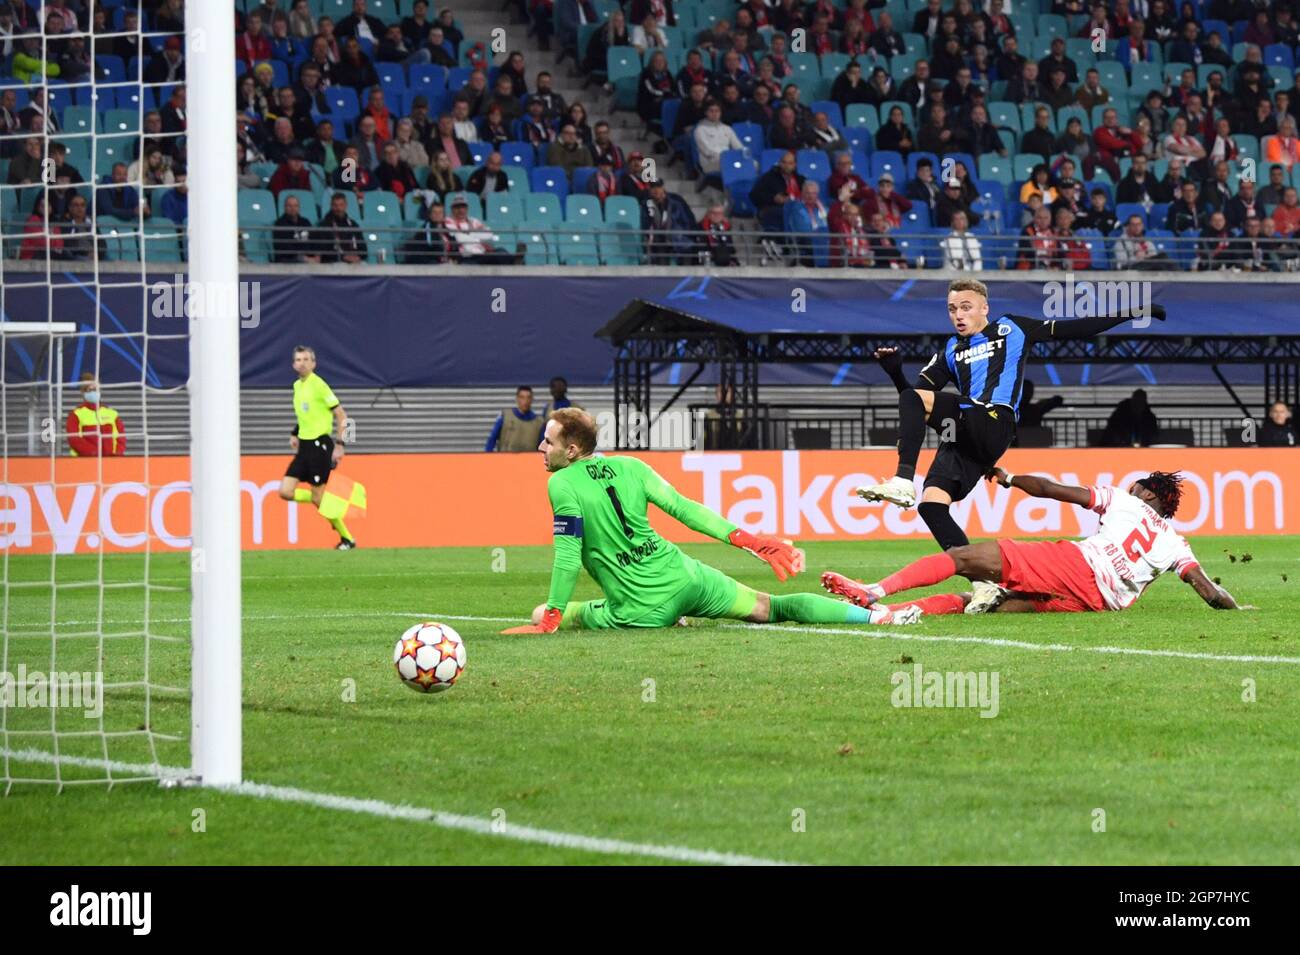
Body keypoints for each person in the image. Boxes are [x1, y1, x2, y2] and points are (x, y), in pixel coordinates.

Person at [500, 408, 918, 634]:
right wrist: (748, 540)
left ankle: (660, 616)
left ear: (571, 451)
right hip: (686, 576)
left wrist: (554, 614)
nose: (540, 446)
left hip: (641, 609)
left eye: (548, 441)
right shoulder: (632, 466)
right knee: (770, 607)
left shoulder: (562, 485)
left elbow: (569, 558)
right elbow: (686, 509)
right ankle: (877, 617)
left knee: (538, 613)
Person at [857, 279, 1168, 579]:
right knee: (931, 506)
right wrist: (896, 373)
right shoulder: (950, 350)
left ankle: (902, 480)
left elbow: (1078, 327)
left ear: (984, 308)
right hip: (965, 434)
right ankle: (984, 584)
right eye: (952, 309)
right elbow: (912, 404)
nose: (958, 315)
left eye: (966, 307)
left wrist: (1134, 312)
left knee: (920, 407)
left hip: (994, 420)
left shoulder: (1013, 328)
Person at [823, 470, 1248, 617]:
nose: (1130, 489)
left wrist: (1009, 479)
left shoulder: (1123, 500)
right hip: (1097, 602)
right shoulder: (1177, 543)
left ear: (1149, 495)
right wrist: (1239, 609)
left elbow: (1048, 488)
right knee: (983, 603)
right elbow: (1210, 593)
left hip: (1078, 564)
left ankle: (873, 592)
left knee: (963, 558)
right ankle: (884, 615)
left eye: (1137, 487)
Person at [276, 346, 358, 550]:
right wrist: (295, 432)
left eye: (306, 359)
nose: (301, 363)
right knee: (285, 491)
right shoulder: (297, 386)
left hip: (320, 445)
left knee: (318, 498)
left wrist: (341, 445)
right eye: (298, 359)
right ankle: (323, 500)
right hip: (304, 447)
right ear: (293, 364)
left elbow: (343, 415)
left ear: (314, 363)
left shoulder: (319, 385)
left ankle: (347, 538)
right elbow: (307, 415)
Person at [66, 373, 125, 456]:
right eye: (89, 390)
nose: (93, 392)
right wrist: (94, 453)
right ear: (83, 392)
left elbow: (121, 438)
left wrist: (116, 454)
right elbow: (74, 439)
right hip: (83, 462)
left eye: (95, 389)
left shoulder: (112, 413)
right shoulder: (76, 414)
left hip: (111, 461)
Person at [486, 385, 545, 452]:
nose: (525, 401)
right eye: (522, 397)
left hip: (529, 461)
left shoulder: (539, 422)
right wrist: (487, 458)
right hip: (505, 460)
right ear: (517, 398)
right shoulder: (505, 416)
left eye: (528, 397)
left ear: (532, 399)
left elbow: (543, 446)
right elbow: (492, 439)